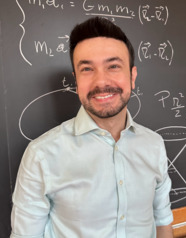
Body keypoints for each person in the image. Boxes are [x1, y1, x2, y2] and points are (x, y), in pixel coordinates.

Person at [10, 17, 174, 238]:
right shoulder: (41, 155)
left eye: (113, 66)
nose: (101, 82)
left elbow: (162, 219)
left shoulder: (154, 145)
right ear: (76, 80)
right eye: (87, 69)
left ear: (132, 76)